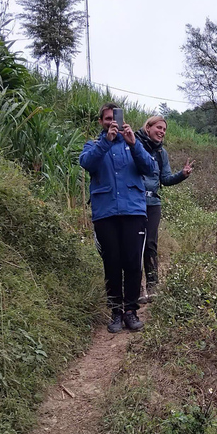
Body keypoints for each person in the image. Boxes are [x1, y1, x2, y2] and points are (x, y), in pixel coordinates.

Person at [80, 103, 156, 333]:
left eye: (115, 118)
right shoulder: (94, 145)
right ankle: (115, 312)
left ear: (123, 120)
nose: (112, 122)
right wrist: (106, 142)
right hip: (105, 213)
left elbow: (150, 168)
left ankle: (131, 311)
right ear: (101, 122)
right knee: (111, 263)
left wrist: (134, 144)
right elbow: (86, 163)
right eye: (107, 119)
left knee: (133, 262)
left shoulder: (134, 143)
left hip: (133, 211)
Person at [134, 116, 194, 303]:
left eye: (164, 129)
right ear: (148, 127)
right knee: (135, 245)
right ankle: (136, 288)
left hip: (153, 204)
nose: (162, 132)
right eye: (158, 127)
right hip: (134, 203)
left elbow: (165, 179)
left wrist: (182, 175)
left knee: (150, 244)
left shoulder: (161, 153)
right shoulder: (133, 144)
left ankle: (153, 286)